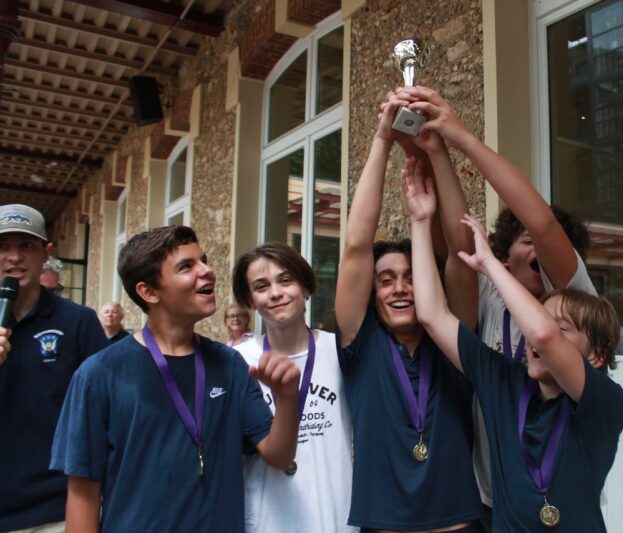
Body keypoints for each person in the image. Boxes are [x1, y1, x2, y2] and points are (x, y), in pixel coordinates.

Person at [396, 86, 597, 522]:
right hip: (492, 497)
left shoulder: (575, 301)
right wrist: (435, 152)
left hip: (564, 507)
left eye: (547, 246)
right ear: (504, 255)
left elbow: (543, 225)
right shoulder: (490, 295)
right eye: (525, 242)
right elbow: (459, 246)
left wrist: (463, 138)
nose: (539, 250)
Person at [401, 163, 623, 532]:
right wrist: (421, 222)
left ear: (597, 356)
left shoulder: (603, 401)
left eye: (563, 329)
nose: (539, 336)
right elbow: (432, 315)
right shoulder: (504, 381)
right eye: (540, 320)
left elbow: (543, 335)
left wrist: (490, 265)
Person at [49, 225, 301, 531]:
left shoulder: (230, 364)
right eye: (186, 266)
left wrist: (287, 397)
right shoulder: (98, 375)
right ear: (149, 292)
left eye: (204, 260)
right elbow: (83, 496)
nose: (207, 271)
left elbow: (278, 455)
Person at [334, 95, 483, 531]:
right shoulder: (361, 344)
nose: (399, 288)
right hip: (383, 524)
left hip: (457, 524)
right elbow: (356, 245)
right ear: (372, 293)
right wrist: (382, 139)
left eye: (411, 277)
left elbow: (461, 253)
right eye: (385, 280)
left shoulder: (453, 342)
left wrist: (437, 153)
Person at [231, 242, 357, 533]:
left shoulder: (339, 352)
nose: (275, 293)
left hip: (334, 520)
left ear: (306, 287)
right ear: (250, 300)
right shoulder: (239, 361)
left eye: (285, 280)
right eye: (261, 286)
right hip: (266, 522)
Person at [0, 203, 108, 532]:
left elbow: (104, 411)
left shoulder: (78, 322)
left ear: (46, 253)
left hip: (55, 509)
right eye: (3, 246)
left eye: (26, 245)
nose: (14, 257)